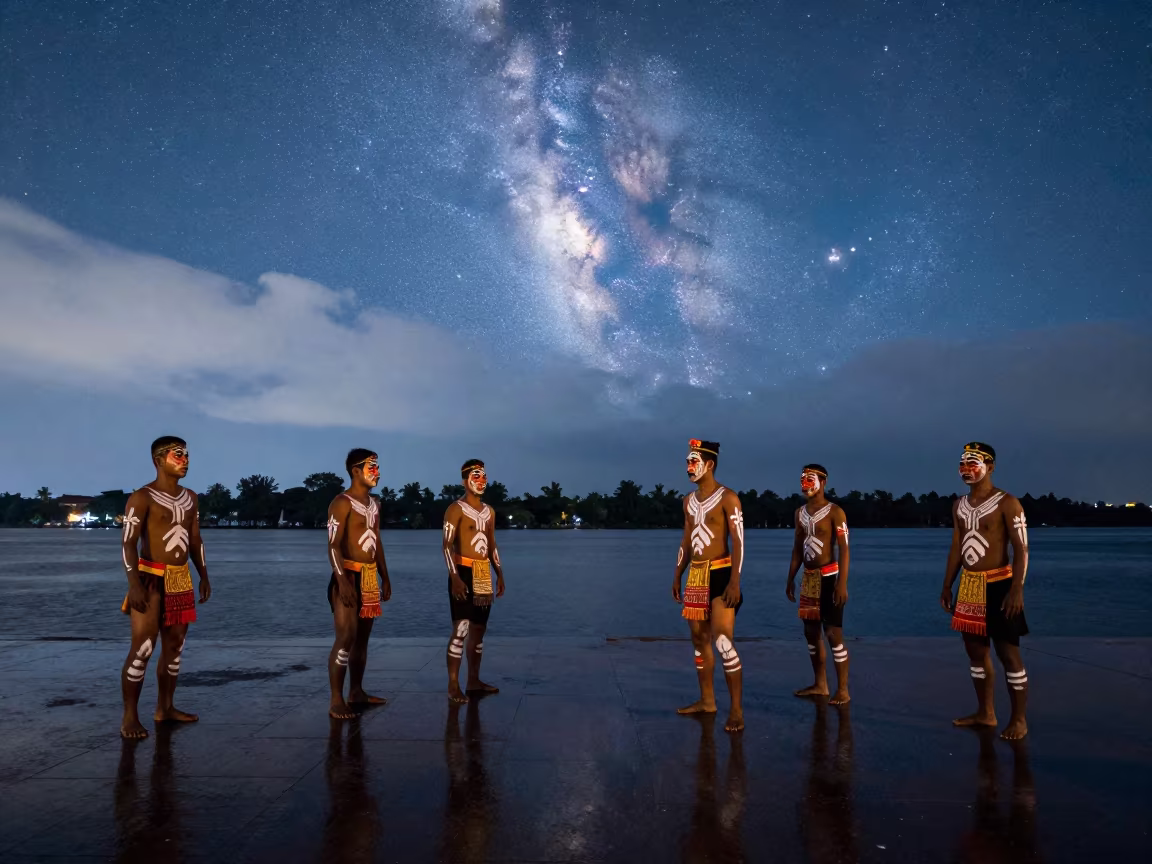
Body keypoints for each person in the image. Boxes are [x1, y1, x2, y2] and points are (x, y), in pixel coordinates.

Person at [118, 436, 211, 739]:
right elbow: (128, 543)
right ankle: (130, 717)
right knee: (143, 647)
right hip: (150, 577)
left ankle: (165, 708)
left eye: (187, 455)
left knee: (174, 648)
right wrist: (134, 583)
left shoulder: (191, 497)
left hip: (180, 578)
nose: (185, 461)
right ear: (158, 460)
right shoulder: (142, 497)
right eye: (178, 455)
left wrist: (204, 574)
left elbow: (195, 539)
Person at [940, 442, 1030, 740]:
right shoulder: (959, 505)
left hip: (1000, 584)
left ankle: (1019, 720)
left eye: (973, 463)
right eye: (962, 464)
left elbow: (1021, 549)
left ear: (990, 467)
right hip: (969, 585)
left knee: (1008, 653)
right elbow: (957, 546)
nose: (966, 469)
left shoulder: (1008, 503)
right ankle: (986, 712)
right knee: (975, 652)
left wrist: (1016, 589)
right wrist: (947, 584)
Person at [672, 439, 747, 733]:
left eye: (694, 462)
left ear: (710, 464)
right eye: (688, 462)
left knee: (723, 641)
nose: (689, 467)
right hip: (696, 575)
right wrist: (677, 573)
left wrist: (735, 581)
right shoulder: (687, 502)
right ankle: (707, 700)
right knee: (699, 640)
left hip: (721, 573)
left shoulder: (729, 498)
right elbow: (686, 539)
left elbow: (738, 542)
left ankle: (737, 710)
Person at [325, 448, 393, 719]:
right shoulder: (341, 503)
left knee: (362, 640)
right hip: (348, 576)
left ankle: (356, 692)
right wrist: (341, 580)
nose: (377, 472)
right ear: (355, 470)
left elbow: (377, 542)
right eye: (371, 467)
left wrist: (385, 576)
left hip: (369, 577)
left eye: (378, 467)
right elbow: (333, 545)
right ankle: (336, 700)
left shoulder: (375, 505)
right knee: (345, 638)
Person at [786, 464, 852, 704]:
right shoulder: (799, 513)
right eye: (802, 479)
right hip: (809, 578)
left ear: (823, 482)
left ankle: (843, 689)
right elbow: (797, 549)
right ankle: (820, 684)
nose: (805, 484)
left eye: (810, 479)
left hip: (829, 577)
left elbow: (844, 550)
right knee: (811, 633)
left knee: (833, 633)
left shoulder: (835, 512)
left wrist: (841, 584)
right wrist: (790, 578)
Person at [441, 459, 505, 703]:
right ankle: (453, 685)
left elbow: (491, 544)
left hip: (482, 572)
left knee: (479, 629)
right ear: (464, 480)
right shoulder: (455, 509)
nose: (481, 480)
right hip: (462, 571)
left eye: (484, 476)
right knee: (461, 628)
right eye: (476, 476)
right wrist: (454, 576)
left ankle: (474, 680)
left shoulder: (489, 512)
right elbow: (446, 545)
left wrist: (499, 573)